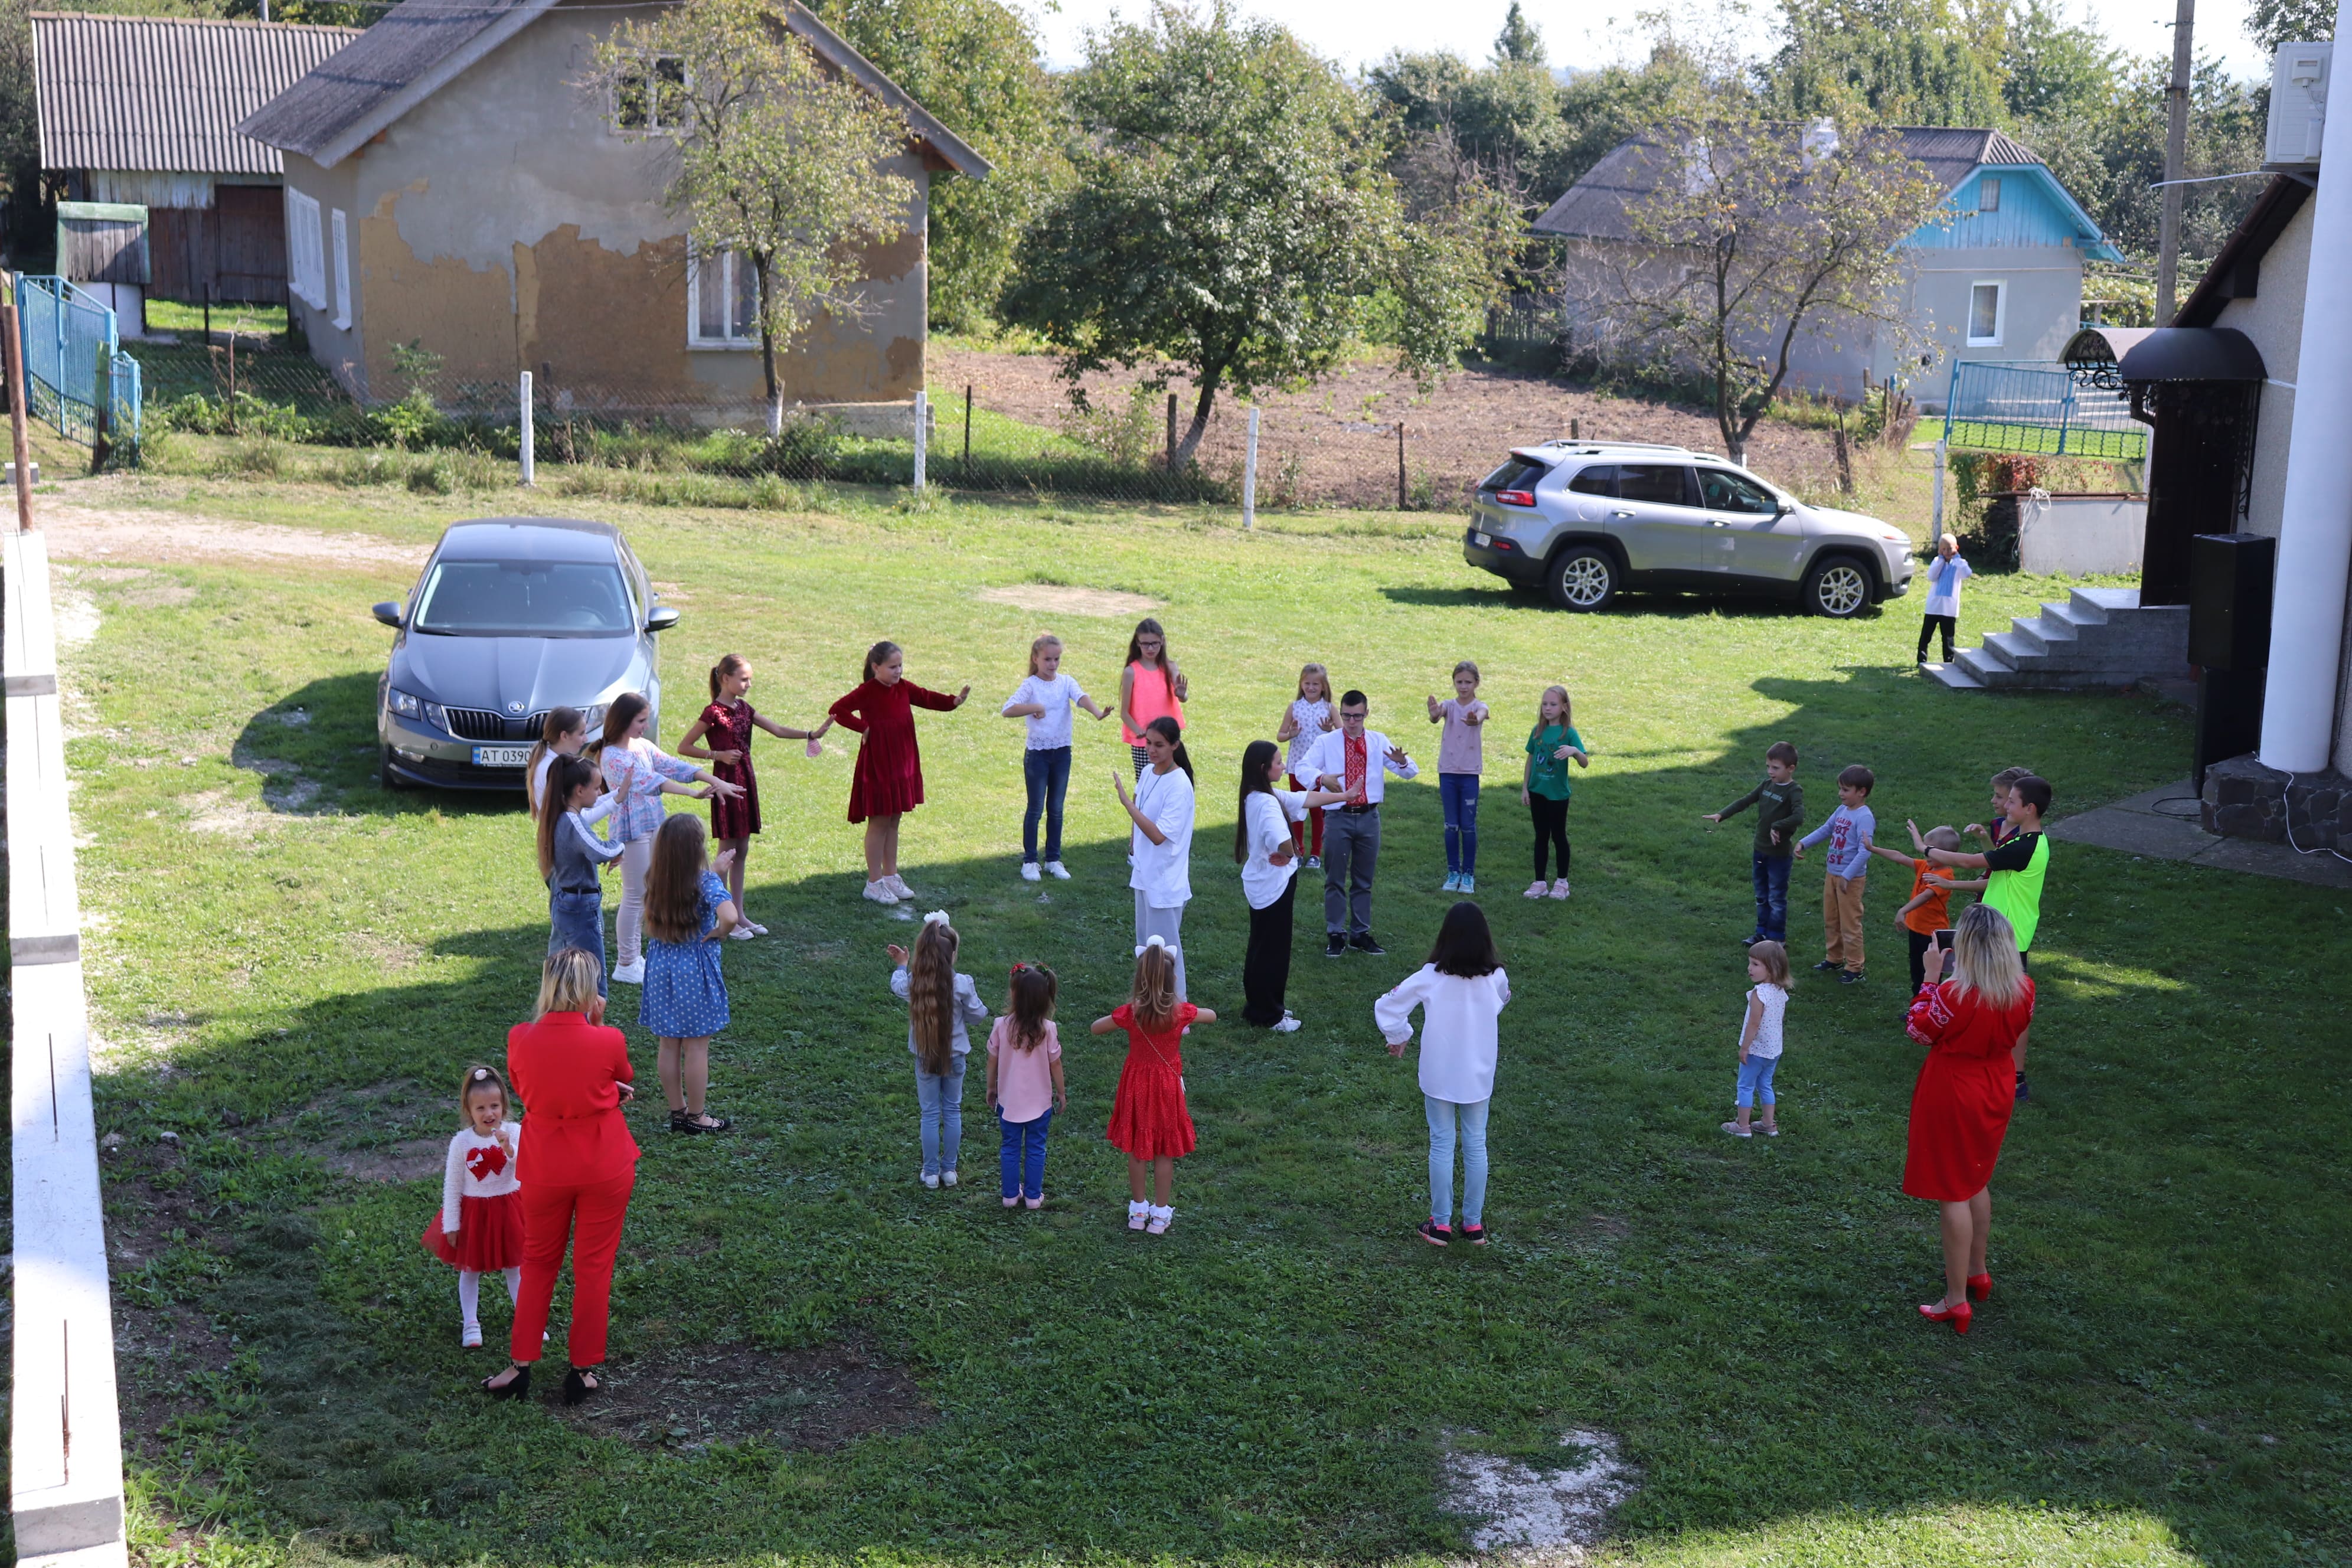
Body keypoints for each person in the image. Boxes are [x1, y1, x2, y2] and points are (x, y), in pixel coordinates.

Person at [485, 949, 638, 1405]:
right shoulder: (608, 1038)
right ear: (590, 990)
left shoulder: (520, 1037)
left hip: (545, 1165)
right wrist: (597, 1032)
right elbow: (622, 1075)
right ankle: (582, 1370)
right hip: (604, 1163)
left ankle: (519, 1366)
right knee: (594, 1266)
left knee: (537, 1262)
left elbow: (524, 1088)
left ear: (548, 985)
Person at [1902, 903, 2035, 1335]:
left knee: (1952, 1190)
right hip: (1996, 1084)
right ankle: (1977, 1271)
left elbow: (1918, 1030)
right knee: (1976, 1178)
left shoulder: (1954, 995)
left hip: (1954, 1088)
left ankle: (1956, 1300)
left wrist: (1929, 978)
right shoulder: (2023, 989)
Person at [1375, 902, 1511, 1246]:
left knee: (1441, 1143)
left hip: (1439, 1074)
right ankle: (1474, 1225)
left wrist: (1399, 1036)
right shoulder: (1496, 977)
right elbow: (1502, 1000)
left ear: (1445, 937)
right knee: (1476, 1144)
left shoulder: (1430, 977)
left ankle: (1440, 1225)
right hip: (1478, 1074)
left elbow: (1389, 1004)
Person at [677, 652, 831, 938]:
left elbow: (777, 730)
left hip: (746, 781)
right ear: (726, 679)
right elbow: (684, 746)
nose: (749, 684)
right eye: (744, 679)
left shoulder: (745, 709)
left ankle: (739, 914)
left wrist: (811, 734)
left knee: (742, 849)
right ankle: (721, 915)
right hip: (725, 782)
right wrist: (718, 754)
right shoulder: (713, 713)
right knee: (727, 850)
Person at [590, 692, 736, 985]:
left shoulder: (641, 746)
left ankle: (635, 958)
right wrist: (692, 793)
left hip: (653, 825)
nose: (646, 726)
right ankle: (626, 962)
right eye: (641, 721)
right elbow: (650, 781)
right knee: (635, 895)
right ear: (624, 721)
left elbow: (672, 765)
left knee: (650, 890)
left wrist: (714, 780)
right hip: (631, 831)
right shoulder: (612, 756)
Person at [1925, 775, 2051, 1101]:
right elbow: (1994, 871)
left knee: (2010, 1003)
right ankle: (1977, 1054)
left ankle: (2016, 1077)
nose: (2005, 805)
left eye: (2012, 801)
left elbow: (1968, 862)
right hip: (1996, 933)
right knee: (1981, 995)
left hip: (2008, 939)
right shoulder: (2020, 840)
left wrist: (1927, 849)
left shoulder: (2026, 845)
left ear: (2030, 808)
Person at [828, 641, 971, 905]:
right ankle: (874, 883)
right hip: (880, 764)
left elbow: (926, 697)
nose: (898, 671)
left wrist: (953, 702)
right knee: (880, 821)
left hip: (902, 762)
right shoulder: (867, 691)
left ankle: (891, 875)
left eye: (900, 666)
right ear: (876, 667)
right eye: (892, 667)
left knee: (894, 819)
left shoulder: (903, 688)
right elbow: (838, 709)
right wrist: (863, 727)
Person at [1095, 937, 1211, 1235]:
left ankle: (1138, 1212)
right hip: (1167, 1088)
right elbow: (1211, 1016)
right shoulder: (1181, 1013)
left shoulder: (1131, 1013)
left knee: (1137, 1147)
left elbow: (1096, 1028)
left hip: (1137, 1086)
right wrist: (1184, 1009)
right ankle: (1160, 1216)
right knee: (1163, 1152)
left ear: (1140, 979)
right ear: (1173, 980)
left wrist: (1126, 1012)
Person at [1234, 739, 1350, 1031]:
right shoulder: (1267, 804)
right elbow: (1280, 839)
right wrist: (1291, 853)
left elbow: (1303, 799)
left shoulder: (1257, 794)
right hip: (1274, 887)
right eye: (1279, 762)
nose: (1284, 766)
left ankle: (1257, 1007)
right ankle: (1270, 1015)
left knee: (1260, 947)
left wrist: (1346, 795)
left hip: (1261, 885)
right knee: (1274, 951)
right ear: (1264, 768)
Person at [1294, 690, 1419, 957]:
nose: (1352, 722)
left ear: (1366, 714)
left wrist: (1402, 762)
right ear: (1341, 714)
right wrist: (1322, 778)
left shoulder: (1377, 741)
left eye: (1357, 716)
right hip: (1338, 817)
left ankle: (1360, 934)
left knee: (1364, 880)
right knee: (1335, 879)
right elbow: (1302, 768)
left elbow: (1410, 772)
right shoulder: (1327, 741)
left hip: (1369, 817)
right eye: (1347, 716)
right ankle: (1336, 933)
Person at [639, 815, 739, 1134]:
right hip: (693, 970)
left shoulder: (656, 878)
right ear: (696, 849)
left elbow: (687, 891)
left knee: (669, 1044)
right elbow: (730, 916)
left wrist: (715, 873)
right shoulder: (705, 882)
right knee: (696, 1046)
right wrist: (720, 932)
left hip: (660, 968)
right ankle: (697, 1117)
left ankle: (678, 1112)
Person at [420, 1064, 524, 1348]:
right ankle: (470, 1324)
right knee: (469, 1270)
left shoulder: (515, 1132)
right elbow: (452, 1185)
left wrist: (509, 1150)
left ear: (504, 1105)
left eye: (495, 1106)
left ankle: (528, 1320)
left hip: (510, 1211)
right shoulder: (462, 1143)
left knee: (516, 1269)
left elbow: (528, 1165)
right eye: (481, 1108)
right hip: (475, 1215)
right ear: (469, 1111)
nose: (489, 1113)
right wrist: (451, 1225)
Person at [889, 912, 992, 1190]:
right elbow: (979, 1015)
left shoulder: (916, 983)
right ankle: (949, 1170)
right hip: (955, 1057)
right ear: (953, 955)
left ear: (923, 954)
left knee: (930, 1114)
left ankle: (931, 1172)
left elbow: (897, 986)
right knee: (953, 1110)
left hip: (925, 1057)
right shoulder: (962, 984)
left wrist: (902, 965)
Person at [1000, 633, 1109, 881]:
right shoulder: (1031, 685)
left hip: (1061, 753)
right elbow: (1008, 709)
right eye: (1048, 659)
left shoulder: (1066, 682)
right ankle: (1030, 861)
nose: (1053, 664)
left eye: (1057, 659)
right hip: (1038, 754)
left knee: (1056, 809)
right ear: (1036, 659)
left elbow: (1081, 697)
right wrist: (1035, 708)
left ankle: (1053, 859)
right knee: (1036, 808)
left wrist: (1097, 713)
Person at [1112, 716, 1197, 999]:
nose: (1151, 749)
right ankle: (1150, 1005)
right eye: (1148, 743)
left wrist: (1127, 805)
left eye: (1159, 745)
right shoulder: (1149, 772)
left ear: (1175, 745)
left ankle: (1177, 1008)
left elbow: (1159, 836)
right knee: (1146, 949)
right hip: (1145, 875)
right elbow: (1142, 805)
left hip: (1164, 881)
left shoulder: (1179, 785)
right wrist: (1133, 844)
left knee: (1166, 953)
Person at [536, 755, 624, 995]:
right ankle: (589, 1015)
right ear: (579, 790)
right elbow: (599, 851)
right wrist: (620, 846)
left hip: (565, 901)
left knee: (561, 968)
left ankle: (558, 1009)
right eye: (596, 788)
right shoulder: (573, 822)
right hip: (580, 906)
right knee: (592, 976)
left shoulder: (558, 817)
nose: (600, 793)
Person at [1703, 741, 1803, 948]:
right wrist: (1722, 814)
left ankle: (1776, 938)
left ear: (1791, 768)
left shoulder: (1794, 791)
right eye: (1768, 767)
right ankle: (1761, 933)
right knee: (1761, 895)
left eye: (1775, 768)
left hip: (1779, 856)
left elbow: (1799, 816)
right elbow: (1746, 800)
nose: (1770, 771)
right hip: (1760, 851)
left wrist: (1777, 826)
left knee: (1776, 898)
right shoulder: (1766, 786)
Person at [986, 962, 1066, 1209]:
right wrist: (1061, 1092)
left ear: (1014, 994)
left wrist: (991, 1088)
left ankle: (1010, 1196)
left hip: (1009, 1101)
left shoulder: (1001, 1025)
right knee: (1036, 1147)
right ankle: (1033, 1196)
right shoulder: (1048, 1029)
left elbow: (992, 1060)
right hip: (1040, 1103)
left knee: (1010, 1147)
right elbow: (1055, 1064)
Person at [1795, 765, 1876, 984]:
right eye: (1840, 789)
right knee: (1831, 919)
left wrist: (1847, 876)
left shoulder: (1864, 817)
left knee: (1850, 924)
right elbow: (1826, 829)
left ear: (1862, 792)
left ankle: (1855, 968)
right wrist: (1804, 843)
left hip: (1850, 880)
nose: (1841, 793)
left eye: (1846, 790)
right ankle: (1834, 958)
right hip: (1833, 875)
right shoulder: (1843, 810)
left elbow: (1865, 851)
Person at [1870, 822, 1963, 992]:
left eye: (1930, 851)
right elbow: (1899, 857)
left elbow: (1926, 895)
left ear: (1945, 855)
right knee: (1916, 971)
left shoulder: (1945, 876)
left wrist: (1903, 910)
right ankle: (1918, 1003)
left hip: (1931, 934)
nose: (1926, 854)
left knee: (1928, 974)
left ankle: (1929, 1004)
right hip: (1916, 929)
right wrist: (1872, 848)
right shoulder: (1926, 866)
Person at [1521, 684, 1589, 900]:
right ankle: (1540, 882)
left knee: (1558, 836)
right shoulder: (1537, 731)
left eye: (1553, 704)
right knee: (1541, 836)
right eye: (1544, 704)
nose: (1548, 708)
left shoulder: (1569, 734)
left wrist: (1575, 751)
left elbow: (1585, 763)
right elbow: (1531, 759)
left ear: (1564, 707)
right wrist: (1525, 788)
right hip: (1537, 792)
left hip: (1558, 795)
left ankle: (1562, 883)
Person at [1427, 660, 1490, 893]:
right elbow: (1437, 715)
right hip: (1448, 772)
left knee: (1468, 826)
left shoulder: (1479, 706)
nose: (1463, 686)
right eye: (1459, 682)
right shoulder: (1449, 706)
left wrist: (1476, 719)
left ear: (1477, 683)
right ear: (1454, 682)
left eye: (1468, 682)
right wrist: (1434, 714)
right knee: (1451, 825)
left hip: (1470, 773)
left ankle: (1468, 874)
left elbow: (1481, 714)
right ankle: (1453, 872)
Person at [1720, 941, 1791, 1138]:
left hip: (1756, 1050)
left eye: (1755, 964)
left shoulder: (1759, 995)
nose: (1749, 968)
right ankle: (1768, 1124)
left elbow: (1753, 1024)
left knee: (1745, 1086)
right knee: (1765, 1084)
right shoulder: (1780, 991)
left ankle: (1742, 1127)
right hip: (1773, 1050)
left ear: (1772, 968)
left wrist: (1745, 1048)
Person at [1275, 663, 1337, 868]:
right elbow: (1280, 735)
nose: (1311, 688)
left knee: (1317, 811)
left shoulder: (1329, 708)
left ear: (1324, 686)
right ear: (1301, 684)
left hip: (1320, 771)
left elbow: (1344, 735)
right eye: (1307, 683)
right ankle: (1298, 851)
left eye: (1316, 684)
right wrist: (1290, 734)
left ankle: (1316, 853)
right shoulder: (1294, 707)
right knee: (1297, 809)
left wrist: (1330, 731)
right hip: (1296, 768)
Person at [1118, 618, 1188, 778]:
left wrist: (1182, 694)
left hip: (1168, 740)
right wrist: (1139, 731)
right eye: (1145, 644)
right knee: (1147, 782)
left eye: (1155, 644)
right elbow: (1124, 713)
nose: (1150, 648)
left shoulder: (1170, 667)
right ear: (1138, 643)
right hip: (1144, 744)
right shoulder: (1131, 672)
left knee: (1172, 780)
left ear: (1162, 641)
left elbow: (1183, 697)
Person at [1916, 534, 1974, 664]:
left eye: (1950, 549)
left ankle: (1948, 662)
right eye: (1944, 549)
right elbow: (1932, 576)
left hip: (1949, 609)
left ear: (1956, 548)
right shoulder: (1937, 562)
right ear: (1939, 550)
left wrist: (1957, 559)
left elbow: (1967, 573)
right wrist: (1941, 561)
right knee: (1926, 636)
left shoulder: (1960, 564)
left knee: (1948, 638)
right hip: (1933, 607)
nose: (1947, 552)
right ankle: (1921, 660)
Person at [525, 706, 590, 819]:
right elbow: (575, 818)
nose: (586, 739)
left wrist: (616, 795)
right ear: (564, 736)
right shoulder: (550, 768)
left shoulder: (555, 763)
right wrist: (615, 800)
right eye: (581, 734)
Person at [1969, 767, 2033, 851]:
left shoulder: (2025, 835)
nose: (1993, 800)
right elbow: (1992, 857)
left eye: (1999, 797)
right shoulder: (1996, 824)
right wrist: (1984, 838)